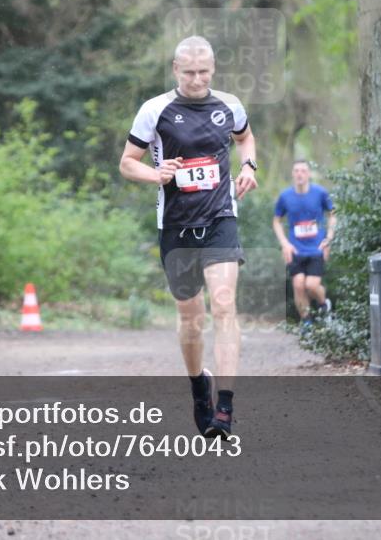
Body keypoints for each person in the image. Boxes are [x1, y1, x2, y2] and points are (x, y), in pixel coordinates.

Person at [119, 36, 257, 440]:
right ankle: (199, 385)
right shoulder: (155, 110)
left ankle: (225, 408)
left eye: (204, 72)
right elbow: (128, 163)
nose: (197, 79)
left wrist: (249, 165)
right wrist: (156, 175)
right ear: (175, 70)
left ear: (213, 70)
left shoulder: (229, 105)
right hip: (176, 226)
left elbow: (245, 137)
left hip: (220, 217)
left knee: (224, 304)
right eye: (189, 72)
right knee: (191, 320)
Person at [272, 159, 335, 330]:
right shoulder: (285, 196)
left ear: (308, 174)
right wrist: (284, 244)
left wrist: (328, 238)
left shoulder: (320, 193)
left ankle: (324, 304)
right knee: (298, 285)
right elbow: (276, 221)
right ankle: (307, 323)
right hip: (295, 249)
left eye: (303, 170)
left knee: (311, 285)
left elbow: (333, 214)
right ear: (293, 174)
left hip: (316, 248)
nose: (299, 173)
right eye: (296, 170)